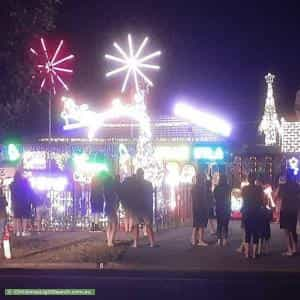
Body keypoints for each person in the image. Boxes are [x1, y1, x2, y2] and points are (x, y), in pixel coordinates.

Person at [131, 168, 155, 248]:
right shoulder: (148, 184)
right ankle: (152, 242)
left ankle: (136, 243)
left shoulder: (134, 185)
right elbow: (150, 196)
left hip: (137, 207)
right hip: (145, 207)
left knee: (136, 225)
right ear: (143, 174)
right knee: (148, 225)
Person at [241, 173, 264, 259]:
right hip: (257, 212)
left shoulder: (244, 189)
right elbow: (262, 201)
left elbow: (243, 199)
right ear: (255, 179)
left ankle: (247, 253)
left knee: (247, 233)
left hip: (247, 212)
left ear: (248, 179)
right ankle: (254, 254)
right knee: (255, 234)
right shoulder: (259, 189)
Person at [278, 170, 300, 256]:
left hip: (286, 209)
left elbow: (278, 196)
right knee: (293, 229)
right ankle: (294, 248)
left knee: (287, 231)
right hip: (294, 209)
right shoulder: (297, 185)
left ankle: (289, 250)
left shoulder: (283, 186)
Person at [10, 170, 32, 237]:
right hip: (24, 202)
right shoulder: (24, 182)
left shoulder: (12, 184)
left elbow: (12, 194)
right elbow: (28, 191)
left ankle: (19, 232)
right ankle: (24, 231)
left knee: (18, 217)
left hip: (16, 202)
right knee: (24, 217)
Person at [191, 173, 209, 247]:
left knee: (196, 224)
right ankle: (200, 240)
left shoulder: (194, 187)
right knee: (201, 225)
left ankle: (193, 239)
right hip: (201, 207)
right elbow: (203, 199)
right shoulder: (202, 187)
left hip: (195, 207)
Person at [213, 174, 231, 246]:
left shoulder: (216, 188)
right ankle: (225, 240)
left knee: (219, 224)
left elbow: (214, 197)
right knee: (226, 224)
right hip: (226, 207)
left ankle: (219, 240)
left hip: (219, 207)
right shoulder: (228, 187)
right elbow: (229, 196)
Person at [103, 173, 119, 247]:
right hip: (111, 207)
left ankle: (109, 240)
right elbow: (114, 199)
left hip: (107, 207)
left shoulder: (105, 189)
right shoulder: (112, 189)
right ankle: (110, 241)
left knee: (109, 224)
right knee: (114, 224)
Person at [0, 182, 8, 249]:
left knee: (2, 229)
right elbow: (6, 204)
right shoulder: (2, 197)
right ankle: (1, 242)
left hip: (2, 215)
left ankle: (1, 242)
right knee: (2, 229)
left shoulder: (2, 197)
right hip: (2, 215)